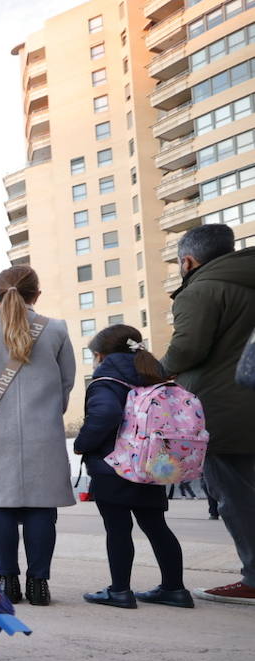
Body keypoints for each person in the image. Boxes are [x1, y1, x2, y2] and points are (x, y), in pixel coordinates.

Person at [0, 265, 76, 606]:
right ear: (36, 295)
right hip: (43, 432)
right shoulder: (56, 330)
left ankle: (7, 582)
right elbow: (66, 383)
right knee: (41, 509)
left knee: (0, 509)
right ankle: (39, 585)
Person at [162, 224, 255, 604]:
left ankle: (253, 577)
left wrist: (157, 369)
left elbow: (187, 350)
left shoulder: (201, 290)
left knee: (236, 495)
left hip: (225, 409)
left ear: (188, 260)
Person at [73, 326, 192, 608]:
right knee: (157, 527)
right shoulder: (154, 376)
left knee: (118, 529)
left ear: (101, 355)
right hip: (153, 464)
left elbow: (106, 413)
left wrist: (82, 443)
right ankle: (174, 589)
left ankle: (120, 591)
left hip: (113, 467)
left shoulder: (107, 380)